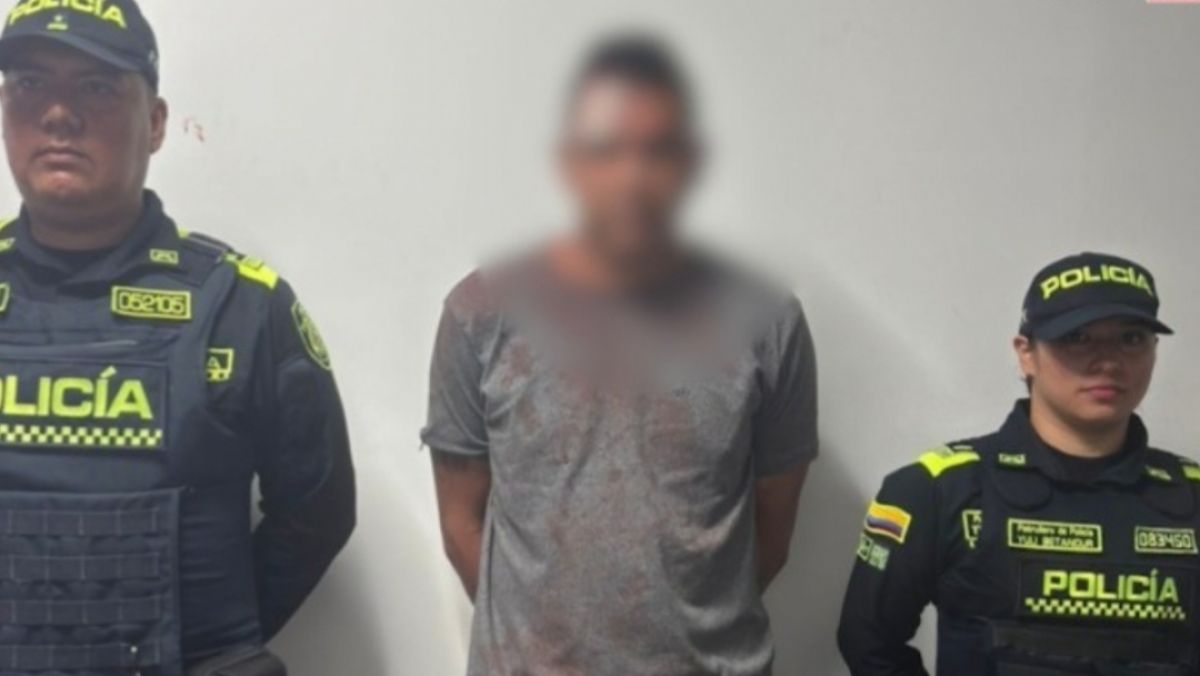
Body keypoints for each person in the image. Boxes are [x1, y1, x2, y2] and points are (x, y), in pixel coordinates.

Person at [421, 33, 819, 675]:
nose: (632, 177)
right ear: (571, 163)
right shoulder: (480, 313)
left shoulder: (767, 321)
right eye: (607, 150)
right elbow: (459, 520)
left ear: (688, 162)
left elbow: (772, 530)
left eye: (657, 149)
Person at [0, 1, 356, 674]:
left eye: (96, 86)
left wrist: (212, 640)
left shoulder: (242, 305)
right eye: (30, 84)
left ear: (157, 122)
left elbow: (319, 512)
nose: (58, 113)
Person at [838, 252, 1200, 675]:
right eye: (1078, 337)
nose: (1108, 361)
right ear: (1026, 353)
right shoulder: (936, 490)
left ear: (1154, 350)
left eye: (1131, 338)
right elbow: (869, 644)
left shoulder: (1191, 496)